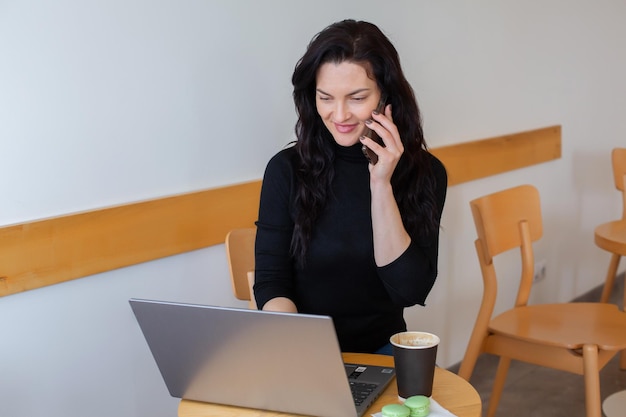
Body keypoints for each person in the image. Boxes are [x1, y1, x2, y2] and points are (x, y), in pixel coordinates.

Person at [253, 19, 447, 354]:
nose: (339, 114)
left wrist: (381, 183)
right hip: (304, 350)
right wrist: (299, 350)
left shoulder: (425, 172)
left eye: (356, 98)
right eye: (325, 97)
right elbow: (272, 283)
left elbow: (409, 291)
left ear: (386, 95)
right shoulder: (286, 170)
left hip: (382, 349)